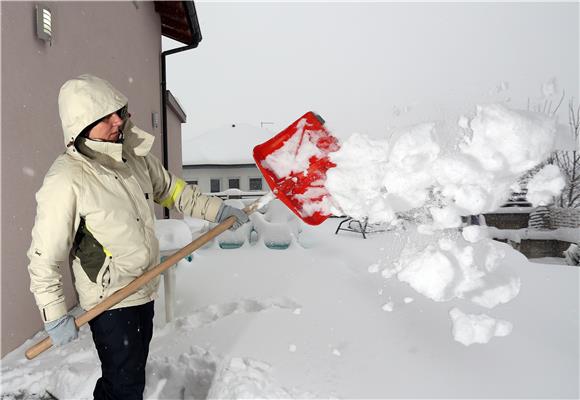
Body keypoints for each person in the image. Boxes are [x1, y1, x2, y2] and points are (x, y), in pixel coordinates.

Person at [26, 74, 249, 399]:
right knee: (126, 386)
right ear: (82, 125)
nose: (119, 120)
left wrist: (218, 211)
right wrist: (54, 313)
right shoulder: (67, 179)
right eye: (106, 117)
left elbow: (176, 192)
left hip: (143, 287)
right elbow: (44, 256)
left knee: (126, 378)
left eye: (119, 111)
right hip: (110, 302)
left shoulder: (133, 159)